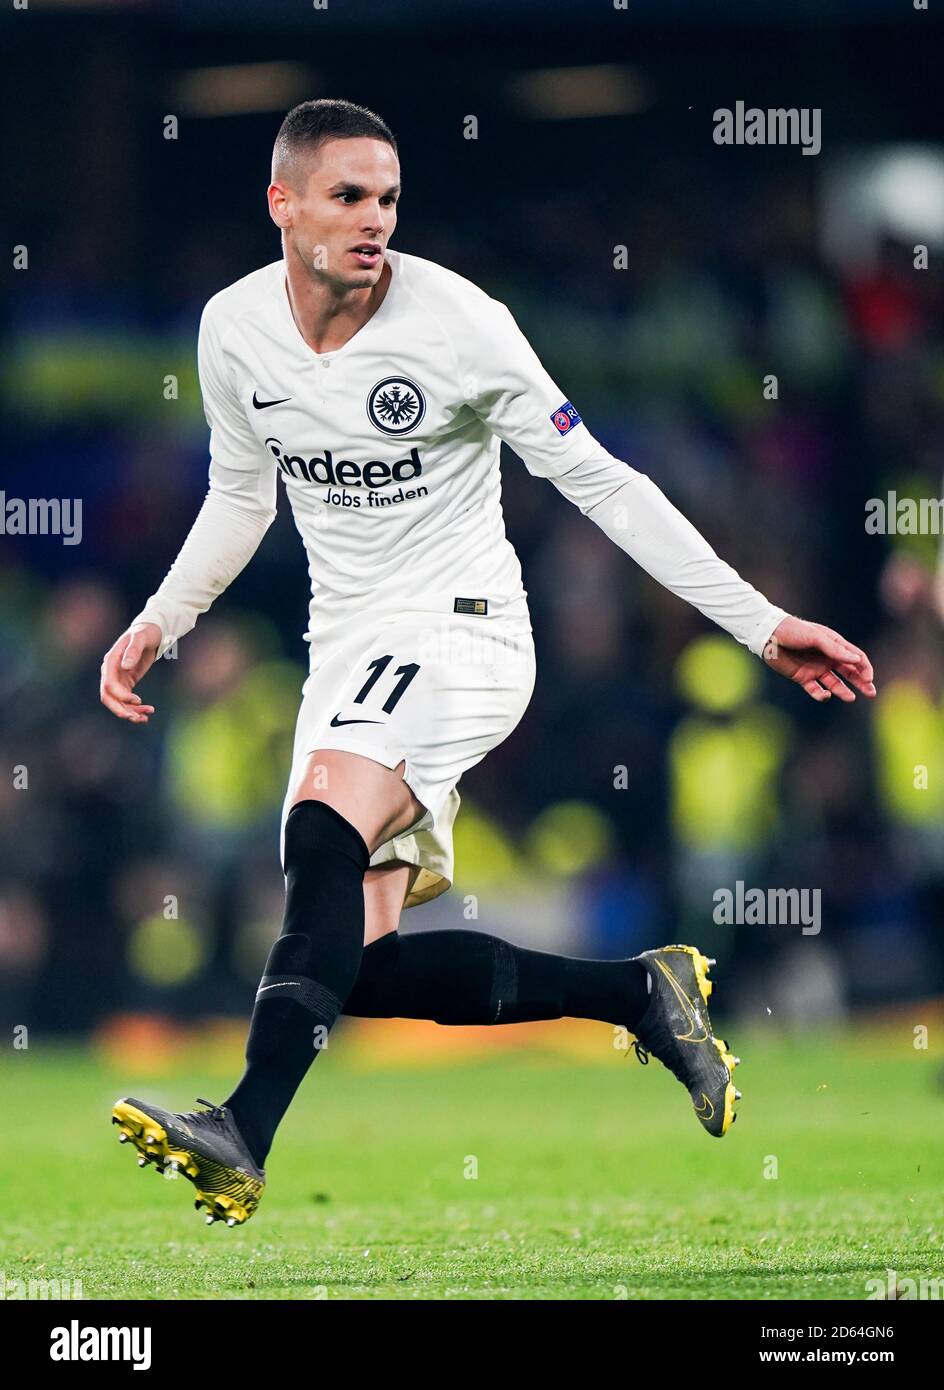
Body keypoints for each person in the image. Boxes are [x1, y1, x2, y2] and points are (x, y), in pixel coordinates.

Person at [100, 99, 876, 1227]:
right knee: (354, 964)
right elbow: (238, 493)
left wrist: (759, 623)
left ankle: (242, 1129)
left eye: (389, 199)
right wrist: (160, 620)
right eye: (348, 196)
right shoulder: (232, 330)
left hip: (462, 626)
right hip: (350, 645)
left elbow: (599, 478)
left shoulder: (458, 321)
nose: (376, 221)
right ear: (283, 203)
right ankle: (637, 994)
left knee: (324, 829)